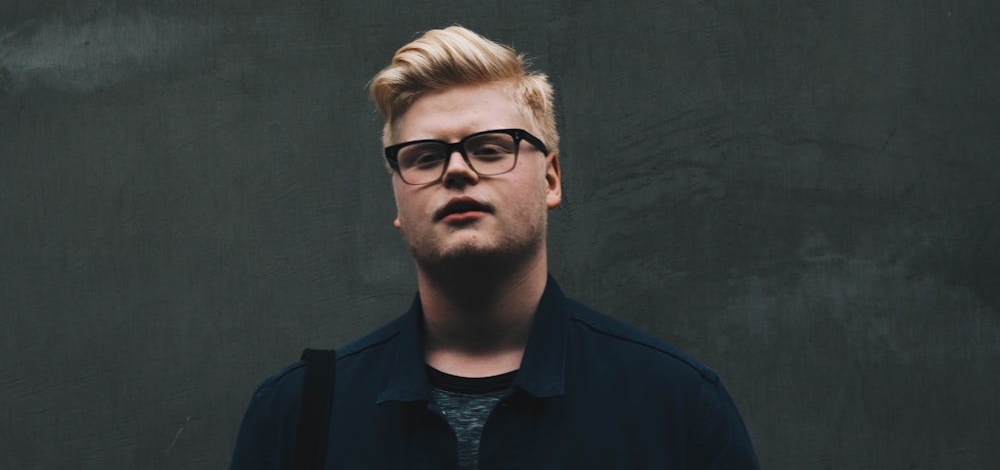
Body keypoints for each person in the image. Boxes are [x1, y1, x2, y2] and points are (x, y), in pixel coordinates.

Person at [228, 25, 760, 469]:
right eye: (424, 157)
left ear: (551, 179)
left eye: (488, 149)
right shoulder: (295, 416)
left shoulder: (678, 407)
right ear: (396, 199)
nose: (457, 169)